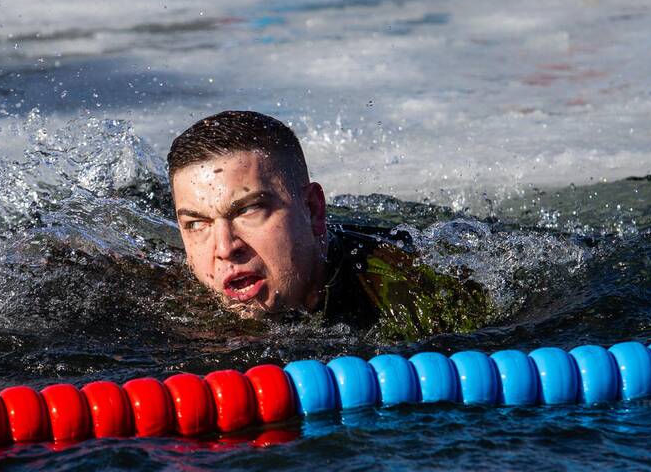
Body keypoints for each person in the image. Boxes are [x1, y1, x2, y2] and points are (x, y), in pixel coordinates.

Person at [168, 110, 493, 339]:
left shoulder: (410, 297)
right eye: (197, 224)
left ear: (312, 210)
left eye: (248, 211)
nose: (224, 248)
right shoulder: (172, 299)